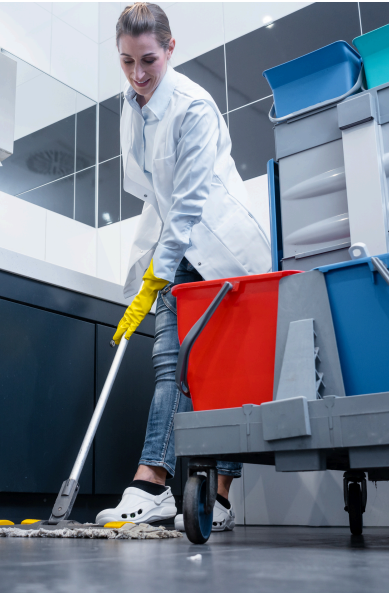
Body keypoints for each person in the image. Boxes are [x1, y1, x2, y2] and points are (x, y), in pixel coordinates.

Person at [95, 2, 271, 532]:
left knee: (225, 375)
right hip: (175, 247)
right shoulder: (131, 107)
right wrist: (146, 276)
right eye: (127, 61)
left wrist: (159, 270)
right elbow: (156, 196)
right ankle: (153, 486)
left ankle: (220, 497)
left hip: (220, 253)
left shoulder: (193, 107)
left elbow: (190, 203)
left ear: (170, 48)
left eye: (148, 60)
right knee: (170, 365)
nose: (138, 74)